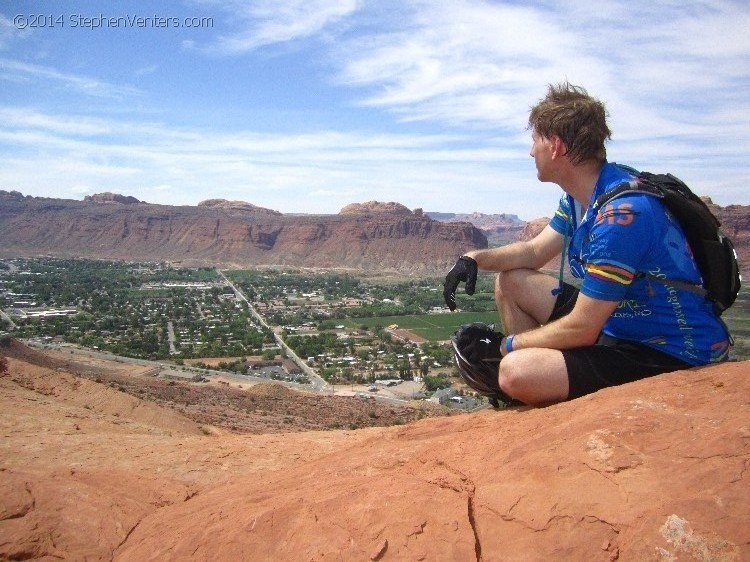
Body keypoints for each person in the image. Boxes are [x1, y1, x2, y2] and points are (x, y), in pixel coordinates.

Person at [443, 82, 731, 407]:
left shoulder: (621, 216)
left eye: (534, 140)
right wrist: (473, 258)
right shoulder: (581, 198)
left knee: (513, 372)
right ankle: (535, 391)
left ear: (555, 146)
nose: (529, 151)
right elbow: (534, 252)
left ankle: (531, 388)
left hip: (667, 350)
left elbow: (583, 328)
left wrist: (504, 347)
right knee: (511, 282)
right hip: (619, 324)